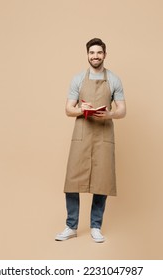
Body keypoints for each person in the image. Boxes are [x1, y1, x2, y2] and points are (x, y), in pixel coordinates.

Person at [55, 38, 126, 243]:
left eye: (99, 53)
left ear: (105, 54)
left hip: (104, 132)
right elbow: (68, 109)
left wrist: (109, 115)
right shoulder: (78, 79)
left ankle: (96, 226)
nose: (95, 56)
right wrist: (82, 110)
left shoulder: (114, 79)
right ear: (87, 54)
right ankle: (71, 226)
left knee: (101, 181)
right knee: (72, 180)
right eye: (92, 53)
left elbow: (122, 110)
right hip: (82, 132)